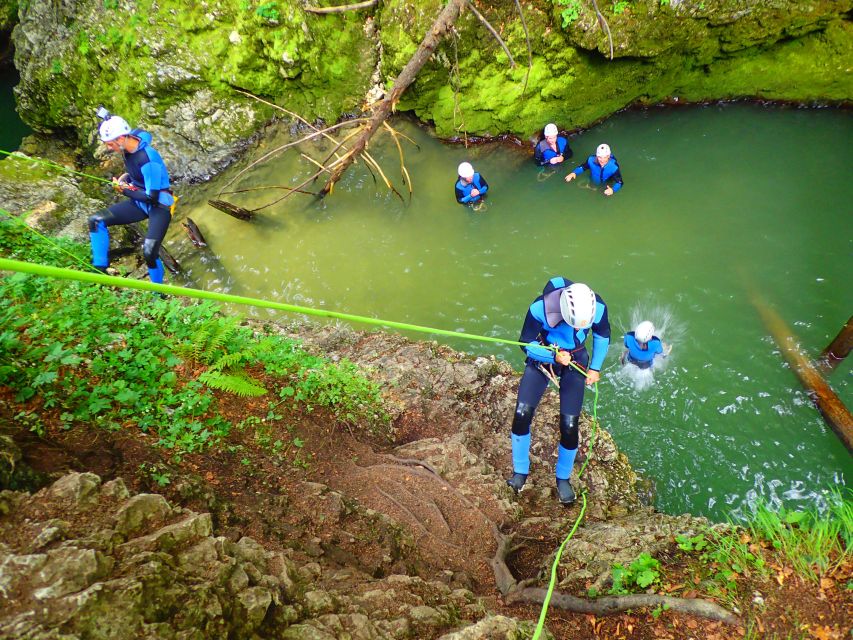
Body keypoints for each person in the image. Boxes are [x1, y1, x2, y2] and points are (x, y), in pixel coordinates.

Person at [507, 278, 611, 505]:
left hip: (576, 357)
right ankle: (520, 471)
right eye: (573, 324)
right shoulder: (539, 308)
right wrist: (552, 356)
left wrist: (595, 367)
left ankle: (563, 478)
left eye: (580, 326)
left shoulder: (597, 307)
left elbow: (602, 335)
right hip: (544, 357)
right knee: (522, 414)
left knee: (569, 425)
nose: (576, 329)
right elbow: (525, 344)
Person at [88, 114, 174, 283]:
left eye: (111, 144)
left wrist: (124, 190)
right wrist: (126, 178)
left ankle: (160, 292)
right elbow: (143, 134)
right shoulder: (131, 141)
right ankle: (99, 269)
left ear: (120, 138)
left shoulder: (148, 159)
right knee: (96, 220)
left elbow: (152, 197)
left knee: (149, 251)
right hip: (139, 200)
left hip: (158, 205)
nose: (110, 148)